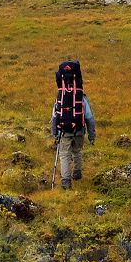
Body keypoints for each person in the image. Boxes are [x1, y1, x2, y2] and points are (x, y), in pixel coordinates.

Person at [51, 59, 95, 190]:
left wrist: (55, 133)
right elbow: (90, 118)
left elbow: (54, 117)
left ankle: (66, 182)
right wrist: (92, 136)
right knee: (77, 151)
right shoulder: (81, 97)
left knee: (64, 155)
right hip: (79, 130)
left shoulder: (60, 97)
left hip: (64, 131)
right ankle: (77, 173)